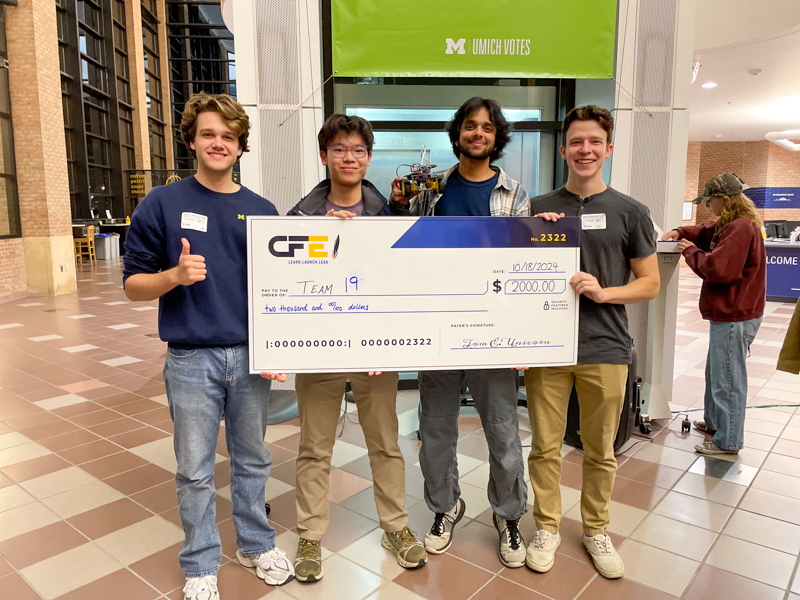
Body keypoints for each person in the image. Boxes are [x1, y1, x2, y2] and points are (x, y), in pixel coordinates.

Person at [123, 92, 294, 600]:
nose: (218, 143)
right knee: (194, 469)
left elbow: (280, 291)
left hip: (249, 359)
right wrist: (173, 276)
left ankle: (255, 544)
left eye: (228, 136)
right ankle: (200, 563)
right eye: (208, 134)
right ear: (191, 141)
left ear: (241, 145)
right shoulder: (162, 203)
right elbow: (133, 285)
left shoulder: (262, 212)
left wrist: (279, 346)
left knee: (253, 459)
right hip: (191, 359)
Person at [281, 114, 427, 581]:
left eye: (359, 150)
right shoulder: (299, 218)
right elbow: (284, 284)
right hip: (320, 351)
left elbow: (405, 284)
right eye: (340, 149)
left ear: (369, 157)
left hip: (375, 355)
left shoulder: (391, 217)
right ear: (324, 156)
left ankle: (396, 527)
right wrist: (317, 238)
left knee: (386, 444)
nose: (350, 157)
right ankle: (309, 534)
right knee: (314, 447)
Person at [389, 97, 530, 568]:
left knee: (505, 434)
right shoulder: (432, 192)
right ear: (458, 134)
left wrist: (526, 337)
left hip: (493, 335)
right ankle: (445, 507)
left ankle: (508, 516)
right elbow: (403, 250)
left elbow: (526, 267)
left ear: (497, 137)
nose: (478, 134)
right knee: (435, 432)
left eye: (487, 128)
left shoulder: (515, 194)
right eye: (470, 126)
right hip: (439, 332)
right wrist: (395, 206)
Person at [524, 105, 659, 579]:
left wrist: (605, 292)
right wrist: (541, 233)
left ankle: (595, 528)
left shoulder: (630, 211)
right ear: (563, 149)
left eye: (594, 142)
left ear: (608, 149)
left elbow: (649, 283)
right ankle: (546, 526)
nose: (585, 150)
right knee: (544, 445)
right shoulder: (540, 206)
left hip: (605, 348)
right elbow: (516, 274)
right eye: (576, 142)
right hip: (548, 348)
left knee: (600, 449)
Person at [662, 173, 766, 455]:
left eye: (710, 200)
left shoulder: (741, 228)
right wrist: (680, 232)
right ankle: (714, 424)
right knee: (717, 373)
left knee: (728, 380)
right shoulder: (732, 224)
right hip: (731, 313)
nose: (707, 205)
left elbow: (719, 270)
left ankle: (728, 440)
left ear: (724, 199)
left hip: (735, 315)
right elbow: (705, 230)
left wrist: (691, 252)